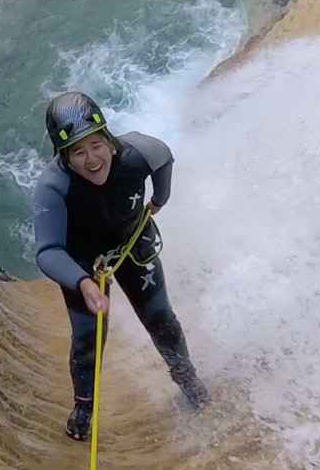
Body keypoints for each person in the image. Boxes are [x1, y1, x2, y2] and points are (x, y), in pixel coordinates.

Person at [32, 91, 209, 441]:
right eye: (78, 152)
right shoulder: (54, 187)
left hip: (132, 244)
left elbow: (164, 158)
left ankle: (187, 379)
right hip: (83, 264)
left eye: (96, 145)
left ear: (109, 140)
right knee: (88, 340)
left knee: (161, 318)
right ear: (64, 157)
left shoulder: (138, 152)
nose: (91, 159)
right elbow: (48, 250)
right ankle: (84, 407)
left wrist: (161, 198)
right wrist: (82, 282)